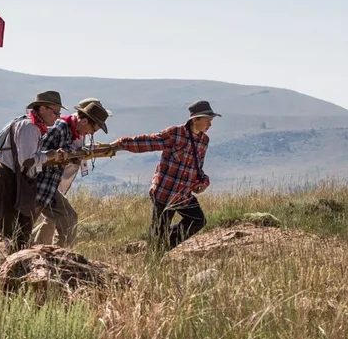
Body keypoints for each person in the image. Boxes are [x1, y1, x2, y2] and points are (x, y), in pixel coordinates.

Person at [111, 100, 221, 252]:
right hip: (165, 193)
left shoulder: (204, 141)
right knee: (158, 232)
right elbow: (150, 142)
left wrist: (203, 183)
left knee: (198, 220)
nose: (210, 125)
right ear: (195, 120)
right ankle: (154, 255)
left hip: (183, 195)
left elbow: (198, 168)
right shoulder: (175, 133)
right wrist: (121, 144)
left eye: (211, 121)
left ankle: (161, 249)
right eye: (207, 121)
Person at [0, 91, 68, 251]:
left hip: (17, 179)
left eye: (59, 113)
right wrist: (49, 155)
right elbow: (27, 160)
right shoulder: (30, 127)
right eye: (55, 112)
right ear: (42, 109)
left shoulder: (32, 126)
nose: (57, 116)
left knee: (22, 229)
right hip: (8, 179)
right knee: (5, 229)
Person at [31, 98, 110, 248]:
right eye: (94, 129)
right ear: (85, 121)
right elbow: (38, 154)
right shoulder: (60, 128)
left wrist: (72, 154)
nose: (91, 133)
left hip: (49, 186)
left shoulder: (72, 131)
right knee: (23, 226)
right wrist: (66, 154)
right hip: (38, 185)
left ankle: (59, 257)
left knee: (69, 217)